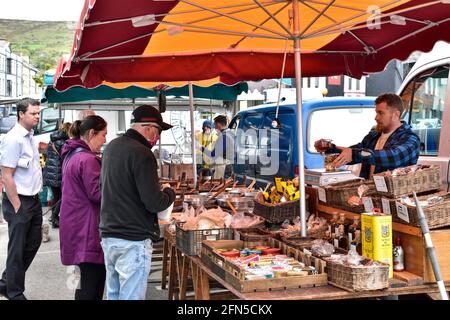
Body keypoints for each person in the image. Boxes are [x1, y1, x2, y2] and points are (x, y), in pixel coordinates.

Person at [100, 105, 175, 300]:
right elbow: (154, 202)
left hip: (110, 235)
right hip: (132, 239)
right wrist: (169, 192)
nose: (157, 137)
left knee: (114, 295)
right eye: (157, 131)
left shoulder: (111, 147)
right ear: (148, 127)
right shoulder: (142, 153)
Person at [314, 93, 420, 179]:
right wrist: (330, 148)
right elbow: (354, 151)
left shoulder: (410, 138)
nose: (376, 117)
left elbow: (393, 156)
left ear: (396, 114)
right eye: (376, 112)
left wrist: (355, 154)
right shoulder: (374, 135)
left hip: (397, 201)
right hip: (370, 194)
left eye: (381, 113)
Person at [59, 116, 107, 300]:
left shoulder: (72, 154)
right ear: (92, 133)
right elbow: (97, 194)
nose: (104, 140)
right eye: (103, 135)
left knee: (83, 285)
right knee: (91, 286)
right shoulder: (87, 159)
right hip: (86, 229)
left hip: (74, 225)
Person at [0, 97, 43, 300]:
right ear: (21, 114)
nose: (37, 116)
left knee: (33, 243)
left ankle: (6, 283)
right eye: (33, 113)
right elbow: (6, 174)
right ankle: (15, 292)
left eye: (38, 112)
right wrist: (17, 204)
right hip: (20, 201)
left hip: (33, 199)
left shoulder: (30, 136)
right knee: (17, 249)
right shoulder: (13, 138)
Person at [42, 122, 71, 228]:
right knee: (61, 197)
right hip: (57, 174)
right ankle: (54, 217)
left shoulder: (52, 141)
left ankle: (54, 218)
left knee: (56, 196)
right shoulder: (63, 143)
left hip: (50, 173)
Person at [203, 115, 234, 179]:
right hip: (229, 165)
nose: (214, 127)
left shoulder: (224, 136)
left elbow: (214, 154)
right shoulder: (231, 133)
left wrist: (201, 148)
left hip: (223, 166)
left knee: (221, 186)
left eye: (215, 125)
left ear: (218, 124)